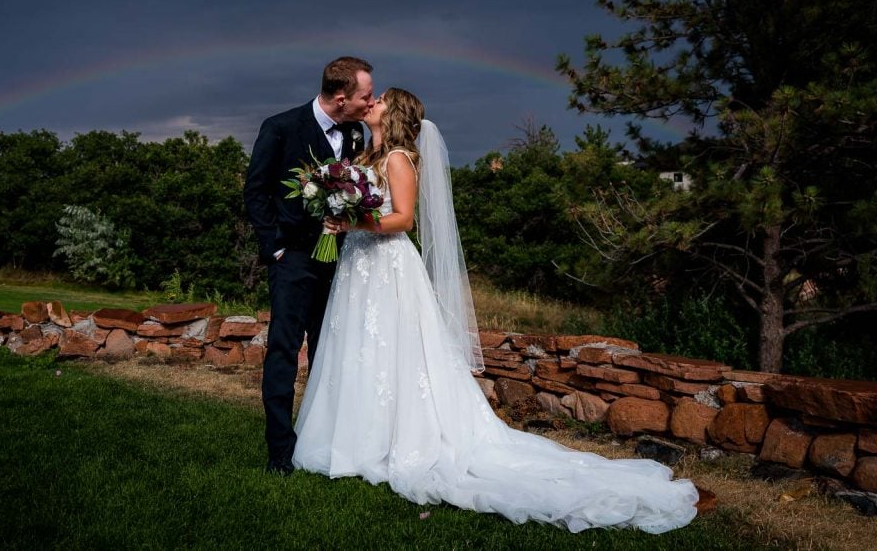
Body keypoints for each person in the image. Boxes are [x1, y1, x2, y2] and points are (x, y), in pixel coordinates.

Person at [292, 88, 699, 534]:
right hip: (357, 264)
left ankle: (393, 441)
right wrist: (334, 210)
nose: (372, 102)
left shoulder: (399, 160)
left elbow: (404, 219)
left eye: (382, 100)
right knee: (359, 349)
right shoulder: (366, 153)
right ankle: (350, 439)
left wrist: (350, 220)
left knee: (395, 352)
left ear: (397, 114)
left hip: (387, 266)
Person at [243, 56, 374, 475]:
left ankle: (323, 443)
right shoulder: (280, 127)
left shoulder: (356, 133)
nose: (370, 103)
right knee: (284, 351)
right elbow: (256, 192)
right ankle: (280, 452)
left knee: (330, 351)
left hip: (340, 261)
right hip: (293, 259)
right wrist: (275, 248)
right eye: (365, 96)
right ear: (340, 99)